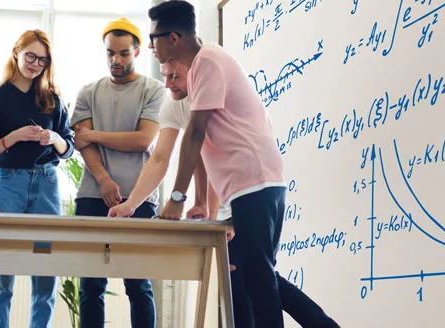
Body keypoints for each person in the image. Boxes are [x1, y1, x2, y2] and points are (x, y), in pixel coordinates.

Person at [109, 61, 340, 328]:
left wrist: (216, 213)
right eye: (165, 76)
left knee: (253, 278)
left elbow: (218, 153)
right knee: (255, 278)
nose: (169, 84)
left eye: (175, 76)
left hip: (252, 191)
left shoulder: (212, 92)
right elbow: (163, 158)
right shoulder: (174, 105)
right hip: (235, 199)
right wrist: (132, 204)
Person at [148, 0, 286, 328]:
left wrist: (176, 200)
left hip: (255, 182)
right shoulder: (199, 70)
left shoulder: (207, 61)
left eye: (154, 38)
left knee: (259, 282)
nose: (152, 46)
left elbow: (195, 133)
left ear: (174, 38)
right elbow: (205, 143)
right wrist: (200, 202)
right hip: (250, 186)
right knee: (250, 276)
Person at [70, 17, 164, 328]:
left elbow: (143, 140)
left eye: (124, 53)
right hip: (92, 196)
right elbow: (82, 145)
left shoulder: (154, 90)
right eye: (111, 53)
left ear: (138, 52)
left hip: (139, 199)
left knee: (138, 286)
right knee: (91, 288)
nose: (116, 60)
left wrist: (96, 134)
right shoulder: (88, 92)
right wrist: (104, 179)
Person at [0, 29, 74, 328]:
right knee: (2, 269)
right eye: (30, 56)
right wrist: (13, 137)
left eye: (43, 60)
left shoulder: (52, 99)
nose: (35, 64)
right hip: (7, 182)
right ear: (16, 53)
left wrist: (53, 138)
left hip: (47, 183)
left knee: (45, 270)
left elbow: (68, 148)